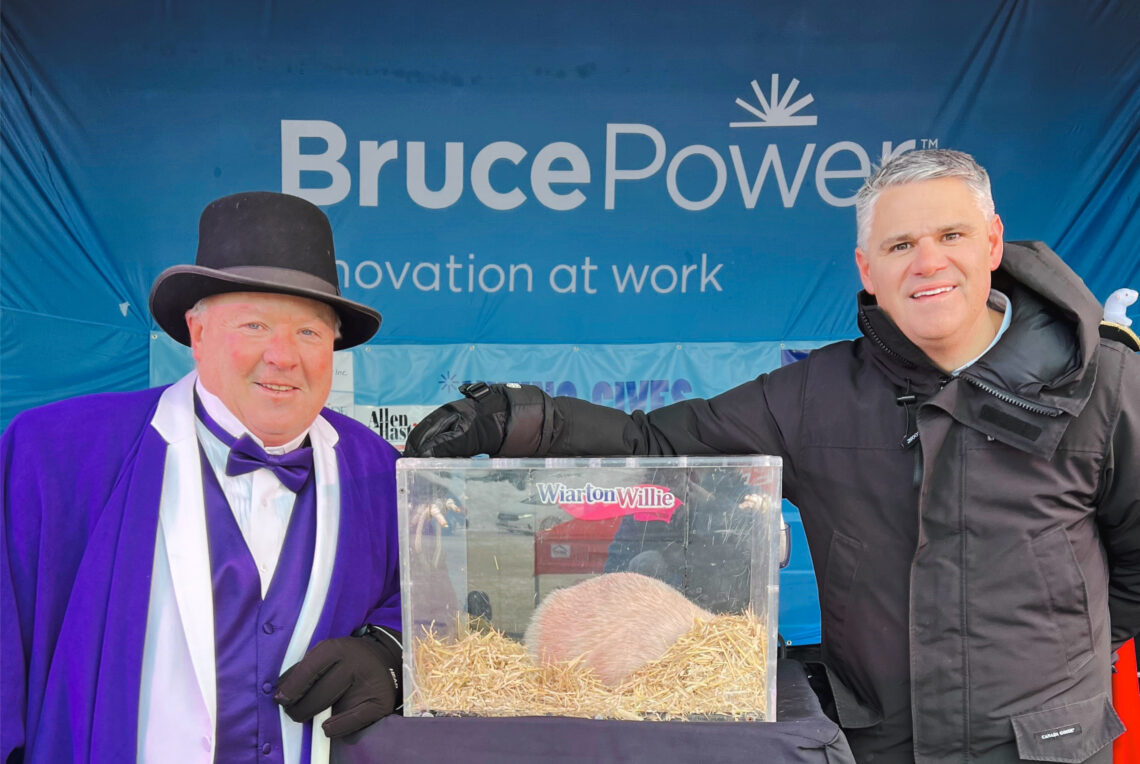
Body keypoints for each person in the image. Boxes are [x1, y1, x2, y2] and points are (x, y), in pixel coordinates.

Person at [403, 149, 1140, 763]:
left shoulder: (1104, 381)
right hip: (878, 744)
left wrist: (1058, 670)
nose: (927, 263)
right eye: (899, 245)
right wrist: (513, 416)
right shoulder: (817, 391)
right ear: (866, 268)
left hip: (1049, 748)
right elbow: (655, 440)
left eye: (950, 235)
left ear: (992, 242)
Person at [1, 192, 403, 764]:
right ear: (197, 332)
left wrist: (389, 653)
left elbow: (432, 608)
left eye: (310, 333)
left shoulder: (380, 472)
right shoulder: (55, 457)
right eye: (255, 325)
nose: (284, 356)